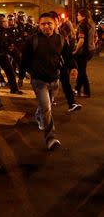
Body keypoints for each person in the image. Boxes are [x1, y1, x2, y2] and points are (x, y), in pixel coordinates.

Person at [19, 12, 77, 150]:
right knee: (46, 108)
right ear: (39, 25)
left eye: (49, 23)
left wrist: (74, 67)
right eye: (43, 24)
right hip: (39, 81)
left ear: (55, 24)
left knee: (47, 105)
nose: (46, 26)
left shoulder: (61, 39)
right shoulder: (32, 40)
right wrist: (21, 76)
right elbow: (24, 60)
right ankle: (50, 138)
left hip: (54, 80)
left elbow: (68, 56)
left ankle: (38, 115)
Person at [51, 11, 81, 112]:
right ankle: (49, 100)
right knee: (51, 85)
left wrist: (73, 66)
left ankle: (72, 103)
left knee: (66, 83)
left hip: (61, 64)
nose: (55, 23)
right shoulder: (40, 35)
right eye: (53, 21)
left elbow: (67, 52)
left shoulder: (62, 33)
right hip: (48, 66)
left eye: (56, 21)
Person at [0, 14, 23, 94]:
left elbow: (10, 40)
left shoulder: (6, 30)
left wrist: (11, 46)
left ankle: (14, 89)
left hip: (3, 55)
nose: (6, 23)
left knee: (10, 72)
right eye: (4, 21)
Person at [73, 9, 96, 98]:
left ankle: (86, 92)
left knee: (82, 71)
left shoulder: (82, 25)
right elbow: (95, 38)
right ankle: (77, 89)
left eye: (78, 15)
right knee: (81, 70)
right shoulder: (91, 24)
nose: (77, 16)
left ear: (83, 16)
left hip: (84, 51)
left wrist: (75, 50)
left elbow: (81, 40)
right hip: (91, 49)